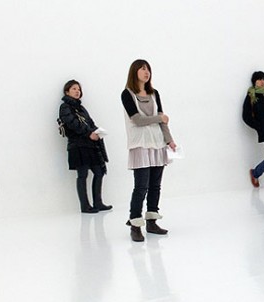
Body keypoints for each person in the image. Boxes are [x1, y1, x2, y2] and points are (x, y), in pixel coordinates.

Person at [121, 59, 177, 242]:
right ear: (134, 72)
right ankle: (135, 224)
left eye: (148, 69)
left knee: (155, 186)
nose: (147, 72)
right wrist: (159, 118)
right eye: (143, 69)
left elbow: (163, 120)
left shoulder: (154, 93)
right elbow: (137, 120)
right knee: (141, 186)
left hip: (157, 143)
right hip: (140, 144)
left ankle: (152, 222)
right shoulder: (127, 94)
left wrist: (169, 140)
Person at [59, 80, 112, 213]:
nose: (77, 91)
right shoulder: (65, 107)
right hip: (77, 146)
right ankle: (85, 206)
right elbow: (72, 123)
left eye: (79, 89)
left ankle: (98, 202)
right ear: (67, 92)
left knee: (99, 172)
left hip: (90, 145)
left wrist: (97, 132)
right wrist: (89, 133)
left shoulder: (81, 108)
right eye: (74, 89)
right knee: (82, 174)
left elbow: (90, 123)